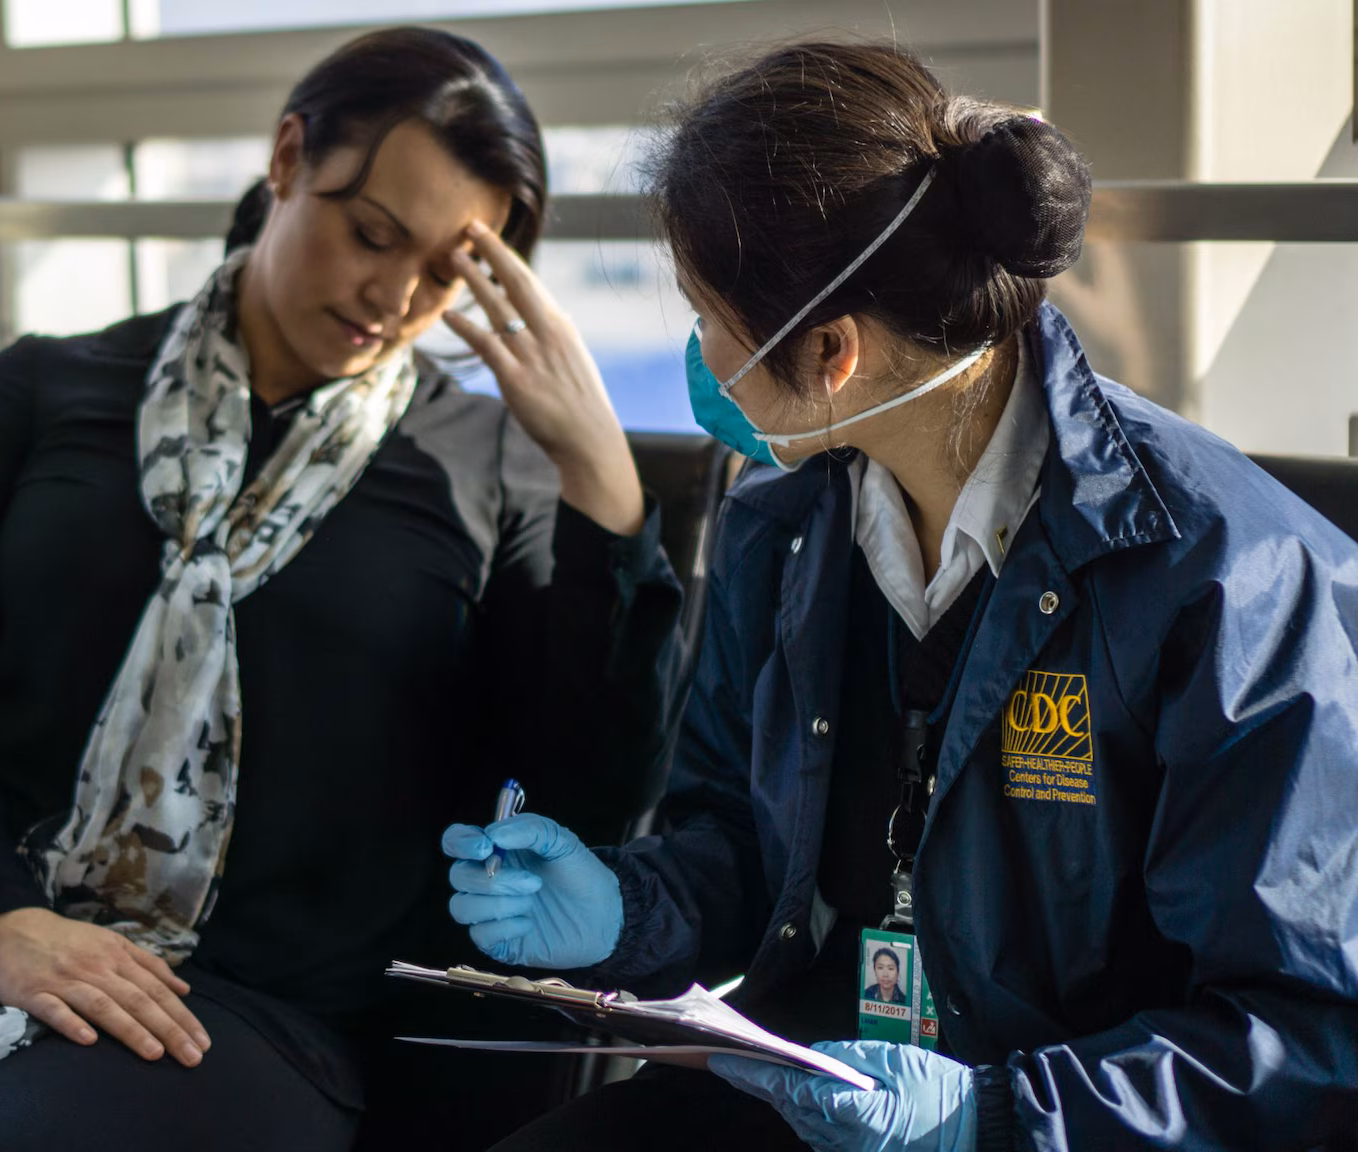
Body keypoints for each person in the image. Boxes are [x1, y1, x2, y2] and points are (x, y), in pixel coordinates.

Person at [0, 25, 682, 1152]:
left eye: (445, 275)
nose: (393, 294)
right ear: (285, 161)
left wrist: (602, 483)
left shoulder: (491, 472)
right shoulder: (42, 390)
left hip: (239, 993)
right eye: (371, 234)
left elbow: (577, 798)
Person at [441, 40, 1358, 1152]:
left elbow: (1300, 1038)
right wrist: (617, 910)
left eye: (704, 313)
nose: (696, 353)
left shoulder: (1224, 579)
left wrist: (987, 1118)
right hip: (810, 1093)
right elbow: (734, 841)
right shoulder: (779, 528)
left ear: (828, 350)